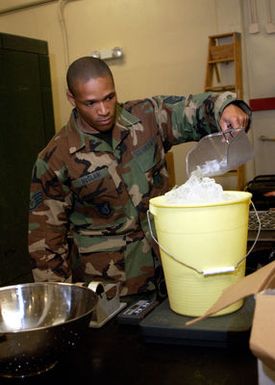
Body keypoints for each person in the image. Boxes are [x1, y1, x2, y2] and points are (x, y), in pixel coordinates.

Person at [28, 56, 251, 297]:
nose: (103, 110)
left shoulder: (146, 117)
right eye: (90, 103)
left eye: (109, 98)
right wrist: (61, 306)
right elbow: (46, 243)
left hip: (173, 269)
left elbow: (190, 110)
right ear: (72, 99)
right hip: (114, 289)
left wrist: (225, 108)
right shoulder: (55, 159)